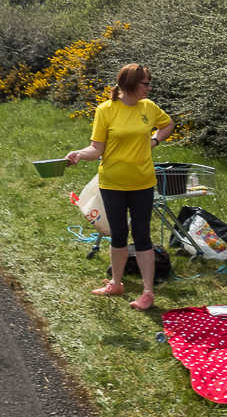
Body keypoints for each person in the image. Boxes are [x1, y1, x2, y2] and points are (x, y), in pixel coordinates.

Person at [66, 63, 174, 310]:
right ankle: (116, 283)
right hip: (112, 183)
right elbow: (97, 148)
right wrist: (80, 154)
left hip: (143, 182)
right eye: (146, 83)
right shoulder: (106, 110)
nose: (149, 88)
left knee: (142, 235)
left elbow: (167, 124)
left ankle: (148, 292)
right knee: (118, 235)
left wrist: (154, 141)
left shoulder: (149, 108)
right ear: (131, 84)